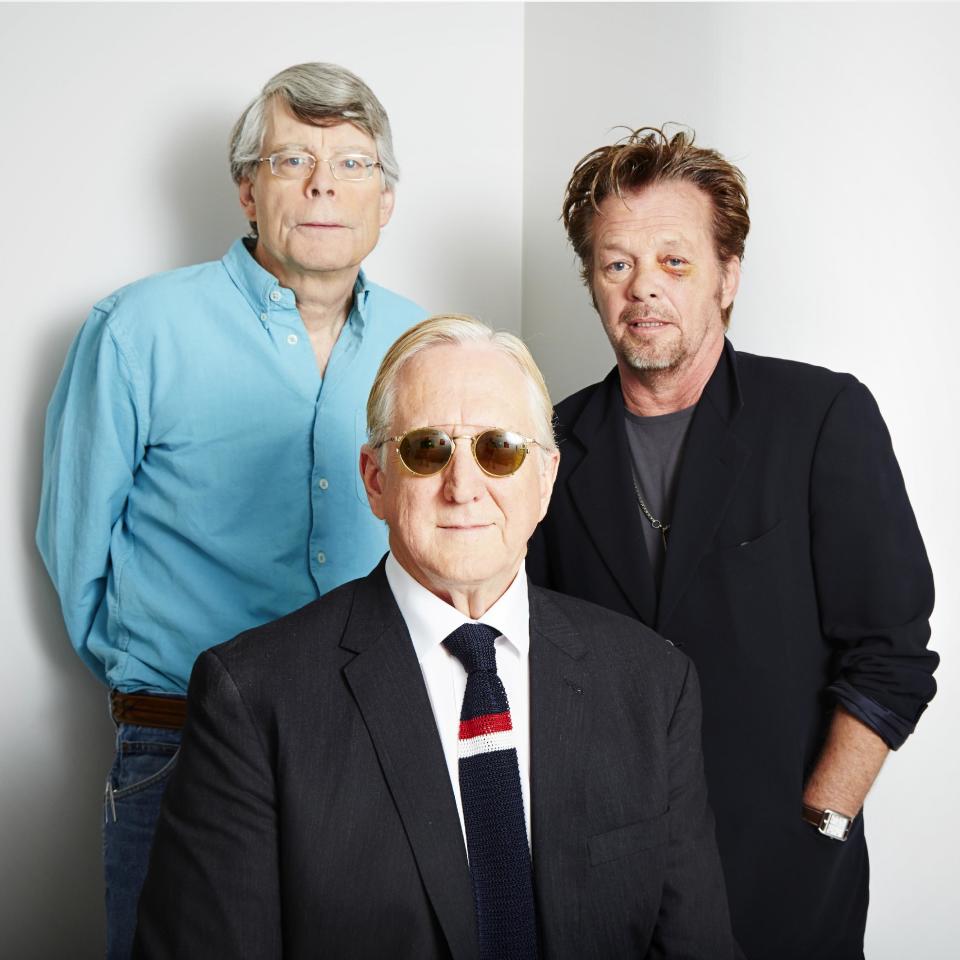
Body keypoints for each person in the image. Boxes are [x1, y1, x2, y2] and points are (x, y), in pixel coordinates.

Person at [133, 314, 736, 959]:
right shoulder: (253, 698)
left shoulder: (651, 683)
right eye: (428, 450)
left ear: (545, 480)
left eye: (499, 448)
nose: (463, 487)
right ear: (374, 481)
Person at [36, 62, 426, 959]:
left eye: (354, 164)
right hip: (183, 746)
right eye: (293, 160)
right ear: (248, 190)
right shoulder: (136, 331)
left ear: (388, 200)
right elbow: (76, 550)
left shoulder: (426, 342)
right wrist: (171, 683)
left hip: (379, 746)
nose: (325, 185)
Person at [526, 127, 938, 960]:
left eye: (674, 261)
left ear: (728, 276)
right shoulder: (544, 444)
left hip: (782, 880)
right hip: (599, 886)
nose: (644, 288)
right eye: (617, 264)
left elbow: (893, 654)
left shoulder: (821, 418)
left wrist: (824, 820)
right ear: (592, 283)